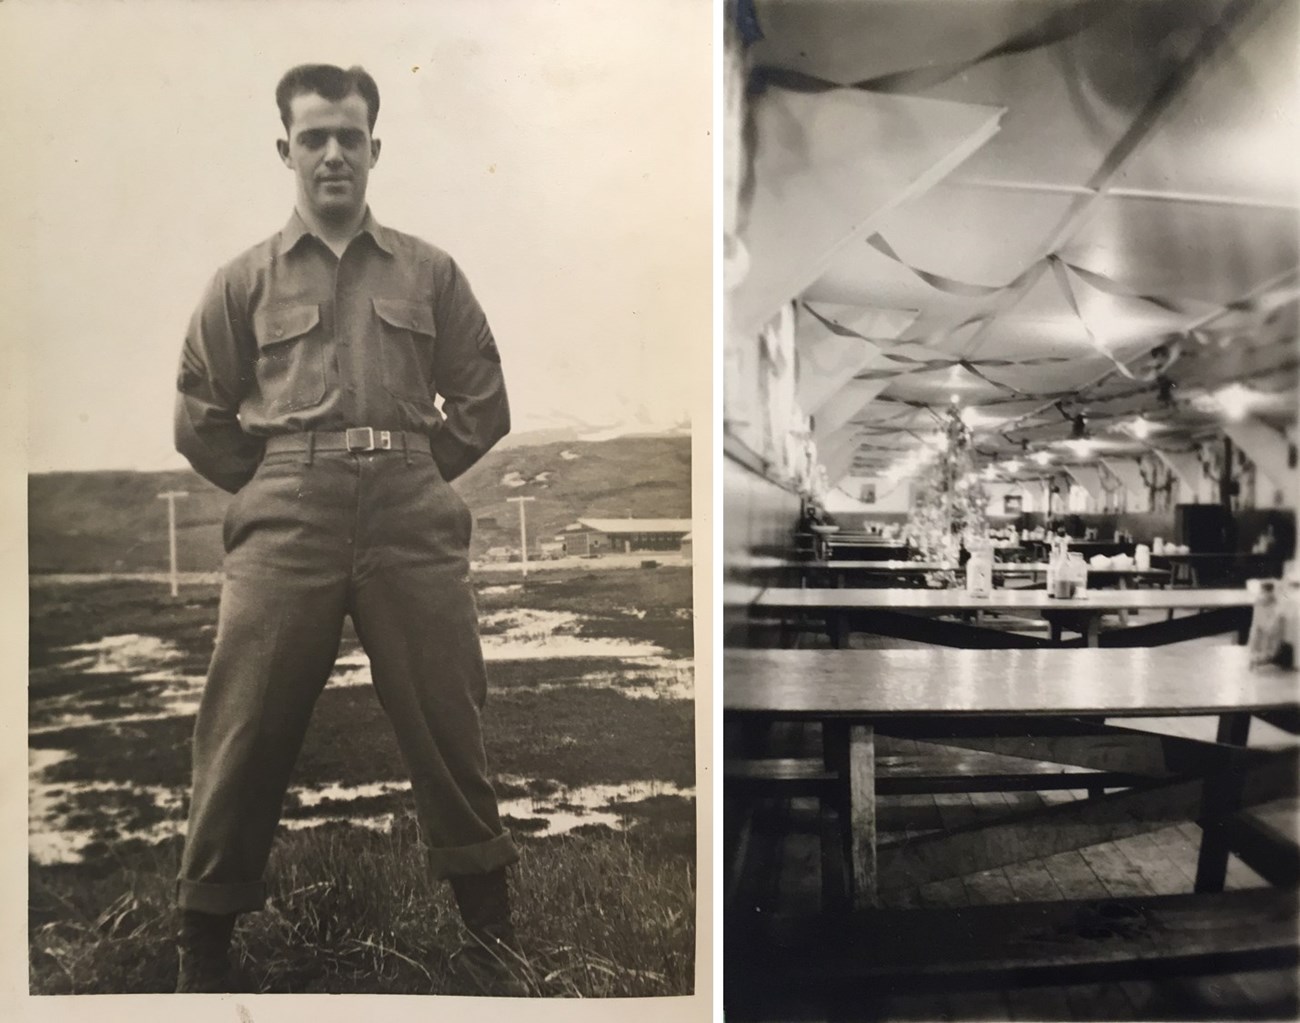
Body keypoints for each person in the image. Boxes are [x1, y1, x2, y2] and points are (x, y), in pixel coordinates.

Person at [172, 63, 523, 995]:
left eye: (351, 137)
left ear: (376, 147)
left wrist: (410, 470)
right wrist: (283, 478)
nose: (334, 153)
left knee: (449, 713)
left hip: (410, 511)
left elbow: (484, 404)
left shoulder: (430, 270)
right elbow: (198, 415)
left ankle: (492, 934)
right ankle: (203, 949)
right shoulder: (239, 279)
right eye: (315, 137)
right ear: (285, 148)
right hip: (287, 513)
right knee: (243, 722)